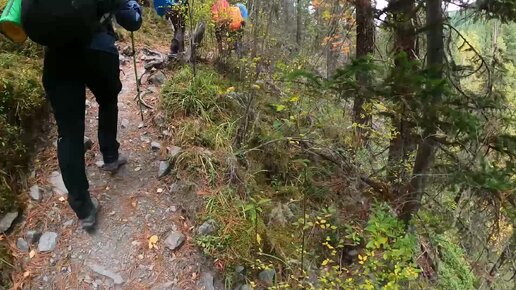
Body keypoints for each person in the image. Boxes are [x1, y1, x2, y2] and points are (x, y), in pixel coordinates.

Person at [42, 0, 142, 231]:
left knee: (68, 132)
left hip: (57, 57)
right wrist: (135, 8)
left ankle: (83, 207)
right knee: (108, 100)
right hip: (98, 49)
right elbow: (131, 21)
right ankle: (110, 156)